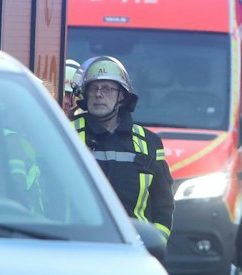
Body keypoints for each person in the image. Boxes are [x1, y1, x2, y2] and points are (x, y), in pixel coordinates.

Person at [73, 56, 174, 236]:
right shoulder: (67, 132)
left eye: (107, 89)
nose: (98, 94)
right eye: (93, 88)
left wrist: (156, 245)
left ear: (122, 96)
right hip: (80, 244)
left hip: (133, 248)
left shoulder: (149, 142)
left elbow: (163, 205)